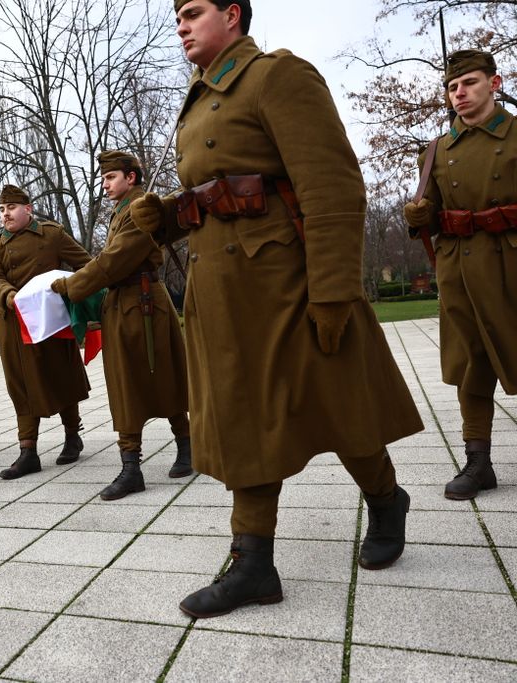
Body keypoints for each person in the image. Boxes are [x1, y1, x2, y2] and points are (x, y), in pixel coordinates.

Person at [132, 0, 424, 617]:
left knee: (339, 406)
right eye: (176, 16)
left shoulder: (276, 75)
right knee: (244, 421)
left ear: (233, 14)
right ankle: (254, 564)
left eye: (192, 11)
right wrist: (164, 219)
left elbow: (332, 186)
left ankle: (386, 498)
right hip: (226, 295)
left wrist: (333, 291)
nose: (179, 25)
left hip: (287, 285)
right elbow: (217, 197)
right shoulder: (196, 100)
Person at [403, 49, 516, 501]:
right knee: (472, 366)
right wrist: (419, 215)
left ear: (495, 81)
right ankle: (478, 462)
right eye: (452, 87)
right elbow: (429, 217)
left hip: (510, 263)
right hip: (460, 270)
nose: (459, 93)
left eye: (468, 82)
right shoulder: (436, 151)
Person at [51, 150, 193, 501]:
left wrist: (72, 286)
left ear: (131, 177)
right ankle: (132, 465)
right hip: (125, 305)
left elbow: (113, 262)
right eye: (103, 179)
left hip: (143, 305)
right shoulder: (120, 211)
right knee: (125, 385)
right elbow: (109, 263)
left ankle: (185, 448)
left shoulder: (141, 209)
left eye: (111, 177)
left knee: (165, 378)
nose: (105, 184)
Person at [0, 184, 92, 479]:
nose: (5, 215)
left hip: (50, 320)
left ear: (27, 210)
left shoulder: (51, 234)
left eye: (12, 208)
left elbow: (87, 266)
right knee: (21, 384)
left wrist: (70, 290)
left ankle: (72, 434)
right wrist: (10, 296)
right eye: (2, 210)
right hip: (14, 323)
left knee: (61, 374)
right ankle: (28, 450)